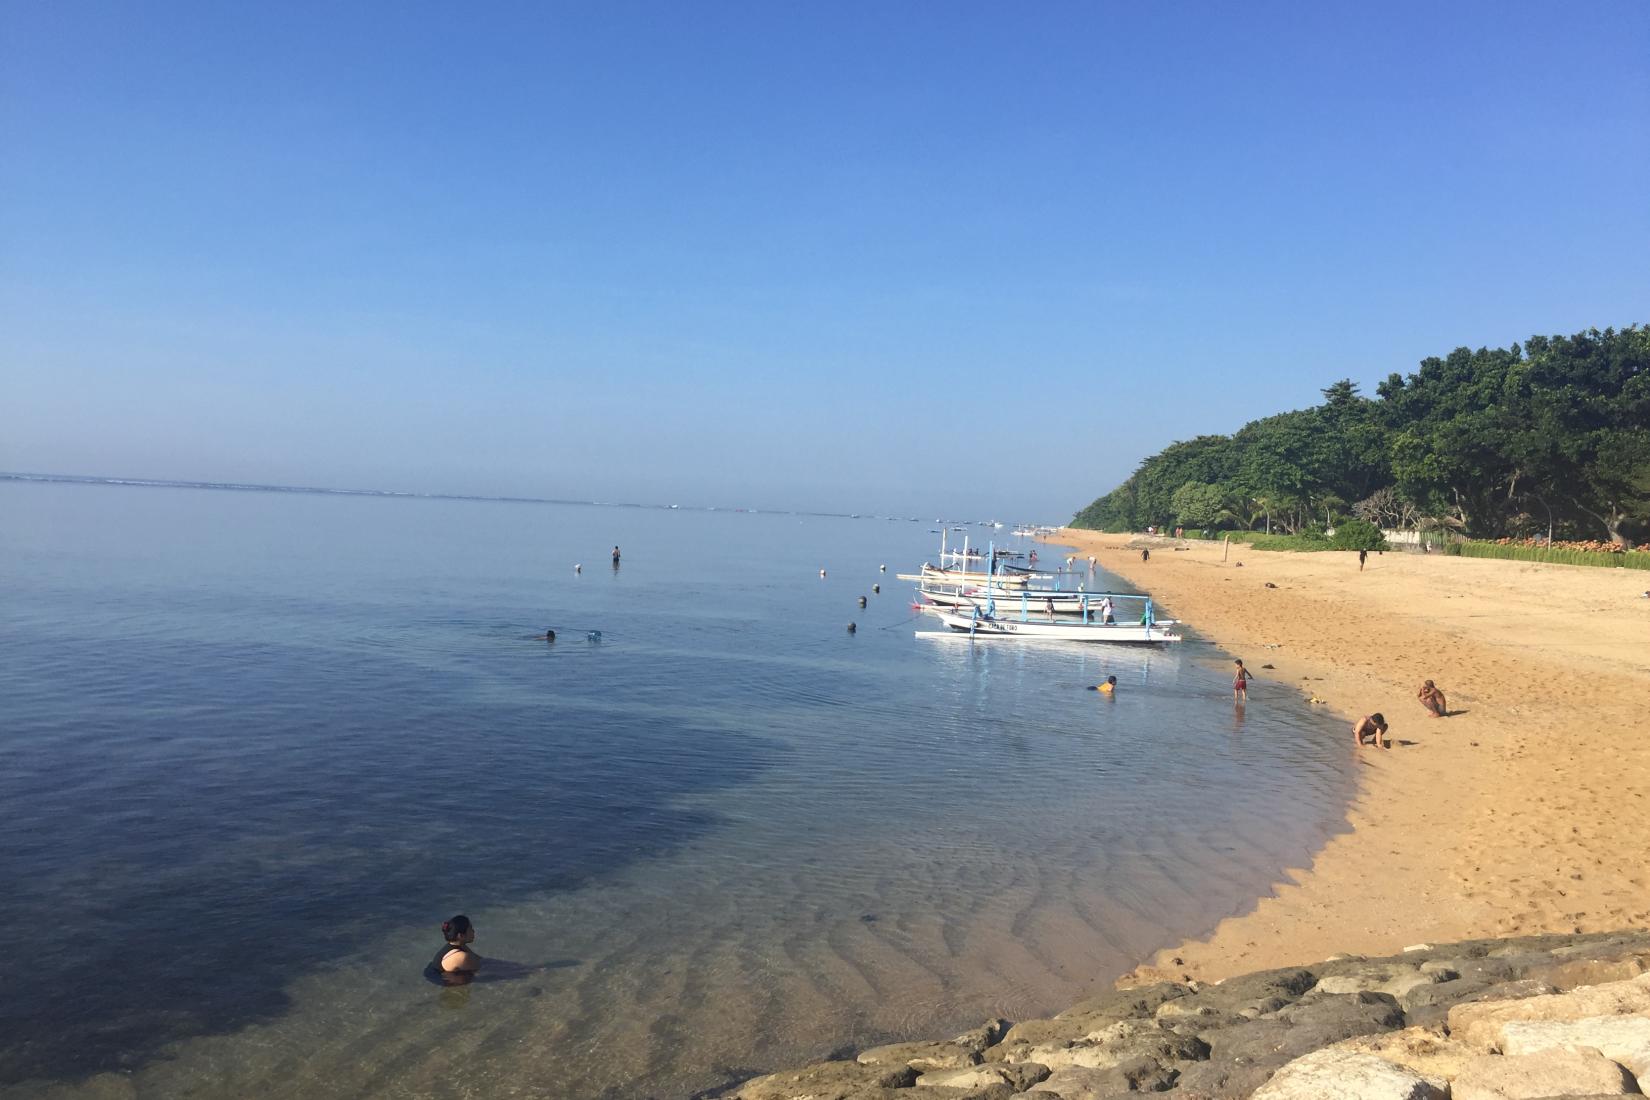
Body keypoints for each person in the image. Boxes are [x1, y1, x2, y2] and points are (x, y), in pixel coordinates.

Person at [425, 914, 482, 985]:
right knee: (468, 978)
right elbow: (481, 969)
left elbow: (478, 959)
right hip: (440, 978)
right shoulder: (461, 956)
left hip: (437, 970)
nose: (474, 931)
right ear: (461, 935)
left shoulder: (458, 944)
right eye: (470, 929)